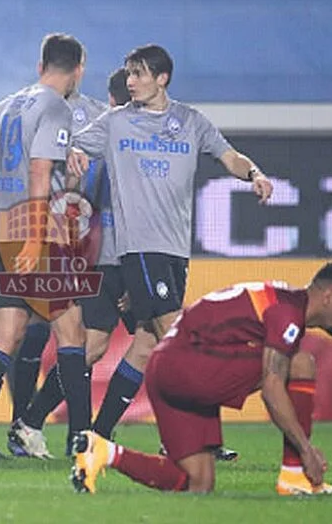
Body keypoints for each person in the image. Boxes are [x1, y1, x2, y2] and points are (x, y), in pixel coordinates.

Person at [67, 45, 274, 451]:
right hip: (140, 248)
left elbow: (226, 154)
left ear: (162, 78)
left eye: (139, 74)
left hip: (175, 250)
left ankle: (98, 435)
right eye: (129, 74)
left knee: (146, 346)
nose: (131, 82)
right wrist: (75, 151)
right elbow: (76, 145)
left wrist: (254, 174)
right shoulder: (115, 122)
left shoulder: (191, 121)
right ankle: (195, 437)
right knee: (181, 339)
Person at [72, 262, 332, 495]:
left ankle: (103, 451)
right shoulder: (287, 313)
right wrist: (306, 450)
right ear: (328, 297)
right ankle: (294, 476)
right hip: (189, 367)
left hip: (167, 369)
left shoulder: (280, 299)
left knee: (198, 481)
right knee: (300, 363)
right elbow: (272, 389)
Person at [0, 33, 87, 461]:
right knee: (73, 334)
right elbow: (38, 170)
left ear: (40, 65)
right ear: (78, 71)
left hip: (4, 230)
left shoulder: (15, 103)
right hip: (36, 234)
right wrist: (37, 235)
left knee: (7, 334)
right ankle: (82, 438)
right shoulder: (56, 107)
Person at [9, 67, 137, 458]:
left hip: (130, 255)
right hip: (101, 257)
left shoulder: (141, 139)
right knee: (93, 346)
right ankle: (50, 425)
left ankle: (52, 426)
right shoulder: (97, 134)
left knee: (139, 342)